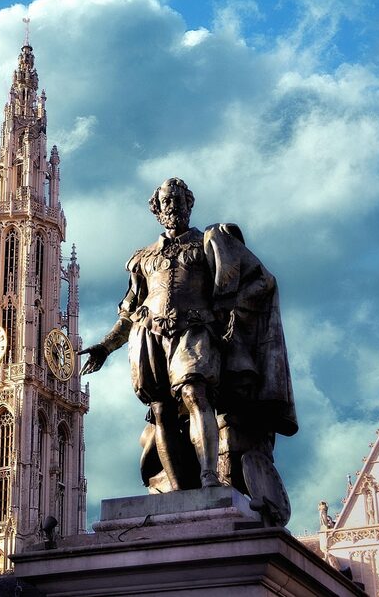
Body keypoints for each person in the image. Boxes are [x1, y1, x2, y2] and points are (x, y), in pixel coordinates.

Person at [81, 178, 298, 523]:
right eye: (166, 202)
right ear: (157, 209)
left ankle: (209, 477)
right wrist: (105, 347)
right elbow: (127, 314)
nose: (173, 207)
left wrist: (233, 306)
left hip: (196, 330)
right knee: (161, 410)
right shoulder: (142, 259)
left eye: (179, 201)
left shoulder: (210, 242)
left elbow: (264, 280)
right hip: (149, 337)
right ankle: (181, 491)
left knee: (196, 393)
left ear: (189, 205)